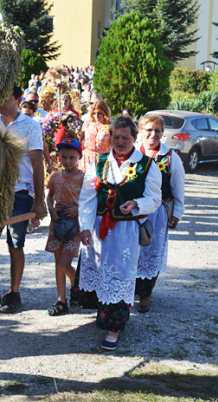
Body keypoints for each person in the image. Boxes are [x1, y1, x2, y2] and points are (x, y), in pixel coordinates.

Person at [76, 116, 162, 350]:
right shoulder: (100, 162)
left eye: (125, 137)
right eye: (116, 137)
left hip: (125, 230)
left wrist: (136, 204)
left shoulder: (146, 165)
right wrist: (84, 226)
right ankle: (103, 315)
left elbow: (155, 199)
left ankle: (114, 328)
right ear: (110, 138)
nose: (120, 141)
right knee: (98, 269)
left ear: (135, 138)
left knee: (120, 275)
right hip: (99, 227)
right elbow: (87, 197)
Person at [0, 85, 46, 314]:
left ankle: (14, 293)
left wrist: (39, 200)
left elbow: (37, 164)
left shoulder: (31, 127)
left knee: (15, 244)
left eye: (5, 98)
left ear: (17, 100)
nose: (0, 103)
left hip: (20, 193)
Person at [135, 115, 185, 313]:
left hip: (158, 213)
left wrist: (177, 213)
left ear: (163, 133)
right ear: (141, 132)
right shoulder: (133, 153)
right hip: (133, 212)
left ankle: (146, 294)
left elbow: (178, 188)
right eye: (148, 130)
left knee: (151, 252)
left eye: (157, 130)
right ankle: (131, 289)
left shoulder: (170, 157)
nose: (153, 134)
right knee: (132, 251)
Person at [45, 137, 84, 316]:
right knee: (58, 264)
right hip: (57, 223)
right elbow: (49, 196)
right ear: (58, 157)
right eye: (64, 157)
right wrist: (50, 208)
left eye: (72, 157)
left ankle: (82, 290)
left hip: (74, 226)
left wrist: (78, 209)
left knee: (65, 263)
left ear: (79, 157)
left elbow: (90, 201)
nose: (67, 161)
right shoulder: (55, 176)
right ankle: (61, 300)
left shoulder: (84, 178)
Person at [78, 100, 111, 172]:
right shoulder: (87, 124)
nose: (96, 116)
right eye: (94, 113)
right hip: (86, 159)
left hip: (102, 160)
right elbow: (80, 141)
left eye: (99, 113)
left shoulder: (110, 127)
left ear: (104, 113)